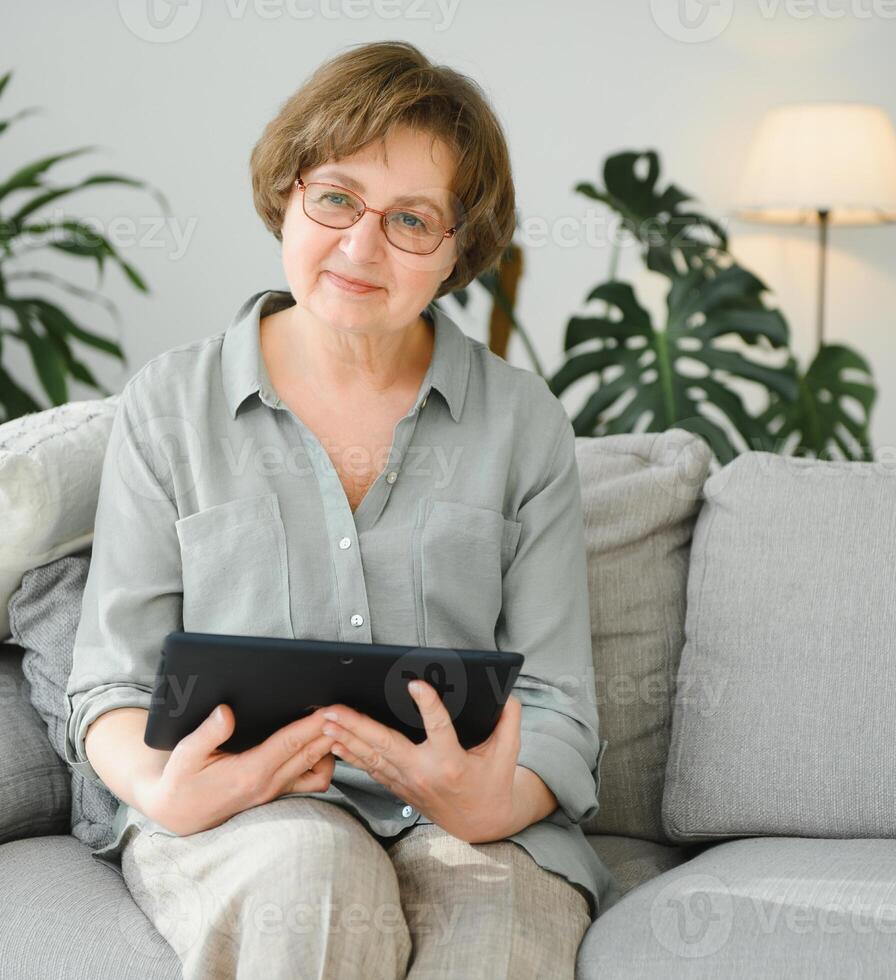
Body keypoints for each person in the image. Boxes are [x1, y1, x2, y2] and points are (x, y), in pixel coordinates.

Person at [61, 40, 616, 980]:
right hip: (245, 822)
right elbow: (109, 684)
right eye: (335, 199)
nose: (361, 247)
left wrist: (488, 805)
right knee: (313, 876)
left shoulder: (523, 423)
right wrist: (168, 788)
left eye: (410, 220)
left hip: (471, 827)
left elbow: (559, 702)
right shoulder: (171, 405)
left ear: (455, 249)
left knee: (495, 933)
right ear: (288, 194)